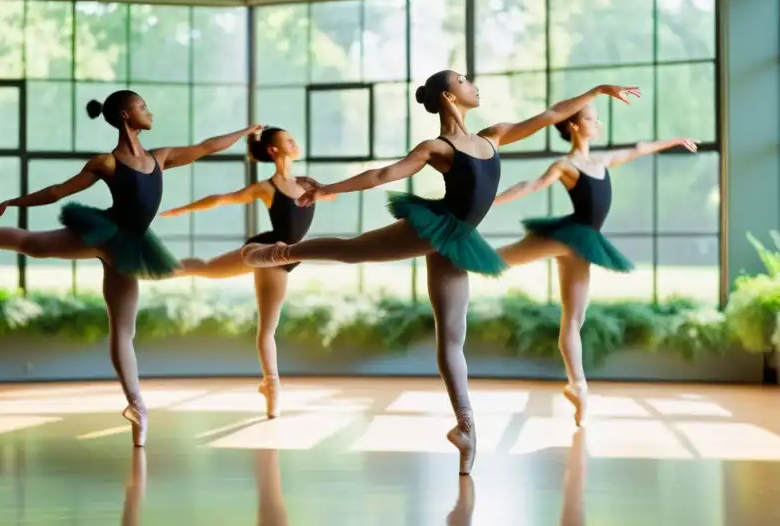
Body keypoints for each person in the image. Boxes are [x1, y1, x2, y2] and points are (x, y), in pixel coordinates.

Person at [241, 70, 639, 474]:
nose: (474, 85)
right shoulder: (438, 147)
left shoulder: (494, 135)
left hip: (457, 240)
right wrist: (328, 190)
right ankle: (281, 252)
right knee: (353, 250)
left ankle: (465, 427)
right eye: (466, 81)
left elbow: (553, 113)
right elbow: (384, 174)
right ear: (450, 96)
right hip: (432, 226)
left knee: (452, 336)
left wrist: (599, 90)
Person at [0, 88, 260, 447]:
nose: (151, 112)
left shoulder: (161, 157)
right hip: (106, 233)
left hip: (132, 247)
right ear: (126, 116)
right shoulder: (107, 163)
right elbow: (56, 192)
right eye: (143, 107)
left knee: (123, 331)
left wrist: (244, 132)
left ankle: (136, 406)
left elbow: (207, 146)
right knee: (34, 244)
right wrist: (12, 201)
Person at [494, 103, 698, 425]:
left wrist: (673, 141)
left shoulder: (601, 161)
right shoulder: (566, 165)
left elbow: (639, 148)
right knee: (498, 259)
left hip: (582, 244)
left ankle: (578, 386)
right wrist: (490, 202)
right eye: (591, 118)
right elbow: (530, 186)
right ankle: (455, 249)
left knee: (574, 319)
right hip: (567, 236)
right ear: (574, 126)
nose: (597, 123)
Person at [160, 126, 332, 418]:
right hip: (267, 251)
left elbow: (331, 193)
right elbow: (222, 198)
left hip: (286, 256)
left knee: (209, 271)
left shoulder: (307, 183)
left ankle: (270, 386)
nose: (294, 140)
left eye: (293, 136)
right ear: (273, 150)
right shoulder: (268, 188)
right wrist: (182, 210)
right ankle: (273, 388)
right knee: (263, 325)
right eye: (286, 139)